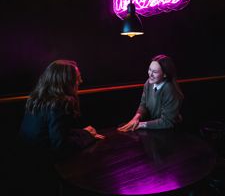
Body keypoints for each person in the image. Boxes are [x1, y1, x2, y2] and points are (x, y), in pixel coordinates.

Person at [15, 59, 105, 196]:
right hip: (44, 170)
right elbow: (61, 147)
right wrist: (88, 136)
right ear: (65, 80)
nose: (80, 81)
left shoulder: (37, 98)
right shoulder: (60, 103)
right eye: (77, 77)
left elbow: (55, 133)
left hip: (25, 164)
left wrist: (83, 132)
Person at [118, 54, 183, 132]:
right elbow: (143, 105)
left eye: (155, 72)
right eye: (150, 69)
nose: (150, 74)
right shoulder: (148, 83)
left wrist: (140, 124)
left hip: (171, 131)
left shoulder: (169, 89)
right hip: (155, 127)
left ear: (165, 74)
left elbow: (167, 121)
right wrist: (135, 119)